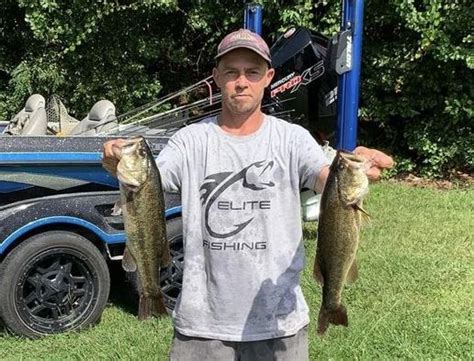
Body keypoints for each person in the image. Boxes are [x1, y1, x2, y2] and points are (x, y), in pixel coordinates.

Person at [103, 29, 393, 361]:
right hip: (202, 325)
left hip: (278, 322)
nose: (242, 81)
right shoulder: (190, 140)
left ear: (268, 77)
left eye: (252, 72)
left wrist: (358, 171)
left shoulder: (292, 139)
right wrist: (115, 163)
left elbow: (327, 182)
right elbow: (149, 181)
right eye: (231, 72)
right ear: (216, 77)